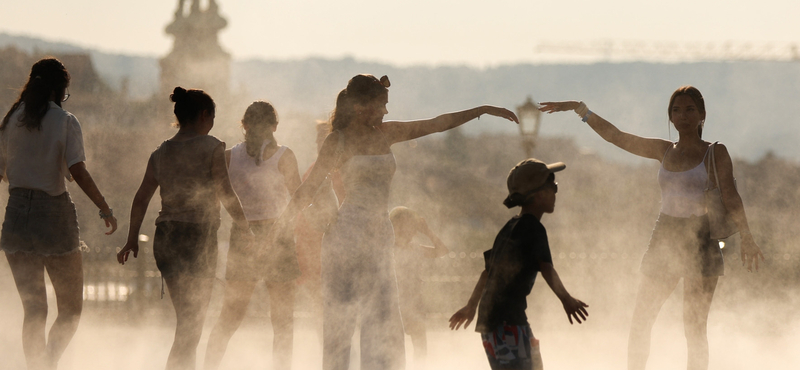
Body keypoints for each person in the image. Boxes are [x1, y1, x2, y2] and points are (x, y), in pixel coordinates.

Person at [271, 74, 518, 370]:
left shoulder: (386, 134)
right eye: (381, 105)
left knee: (383, 318)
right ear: (361, 106)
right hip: (346, 237)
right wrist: (280, 227)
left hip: (379, 236)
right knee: (341, 319)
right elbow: (308, 189)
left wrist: (483, 109)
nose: (386, 112)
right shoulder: (338, 140)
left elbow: (437, 123)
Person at [539, 86, 765, 370]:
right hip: (665, 236)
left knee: (693, 328)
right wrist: (579, 109)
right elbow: (617, 137)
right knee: (641, 319)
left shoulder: (715, 152)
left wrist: (747, 236)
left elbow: (731, 195)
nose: (682, 116)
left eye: (689, 110)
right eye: (676, 110)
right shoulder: (664, 150)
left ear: (702, 115)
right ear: (670, 117)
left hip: (702, 239)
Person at [117, 87, 252, 370]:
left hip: (165, 238)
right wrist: (246, 229)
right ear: (204, 115)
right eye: (212, 117)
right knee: (191, 325)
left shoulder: (161, 152)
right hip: (197, 238)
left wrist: (131, 239)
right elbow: (226, 193)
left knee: (186, 323)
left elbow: (141, 197)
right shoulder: (212, 146)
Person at [0, 57, 118, 370]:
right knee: (71, 310)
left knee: (34, 310)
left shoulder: (11, 119)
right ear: (59, 90)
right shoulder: (65, 121)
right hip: (52, 216)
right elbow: (77, 170)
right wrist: (104, 207)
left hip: (15, 216)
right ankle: (48, 364)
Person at [449, 159, 589, 370]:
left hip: (494, 321)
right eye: (553, 187)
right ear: (538, 194)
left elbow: (487, 273)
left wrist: (471, 307)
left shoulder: (510, 226)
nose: (556, 193)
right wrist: (567, 299)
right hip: (507, 322)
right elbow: (546, 268)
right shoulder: (533, 229)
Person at [204, 101, 302, 370]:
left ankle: (208, 366)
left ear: (244, 125)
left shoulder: (228, 156)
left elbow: (216, 197)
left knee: (231, 315)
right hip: (276, 236)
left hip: (244, 235)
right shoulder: (284, 156)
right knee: (282, 320)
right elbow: (298, 201)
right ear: (274, 126)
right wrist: (274, 235)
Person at [294, 120, 346, 341]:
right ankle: (324, 349)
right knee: (317, 304)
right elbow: (303, 207)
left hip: (335, 246)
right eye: (317, 139)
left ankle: (341, 349)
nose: (318, 143)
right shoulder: (313, 169)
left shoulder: (344, 169)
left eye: (322, 138)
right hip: (311, 248)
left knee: (338, 302)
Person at [388, 206, 448, 366]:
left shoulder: (414, 248)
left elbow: (442, 250)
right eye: (402, 226)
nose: (408, 231)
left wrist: (427, 232)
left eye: (411, 226)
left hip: (414, 304)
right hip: (393, 305)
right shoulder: (387, 249)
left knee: (420, 349)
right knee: (394, 350)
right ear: (393, 226)